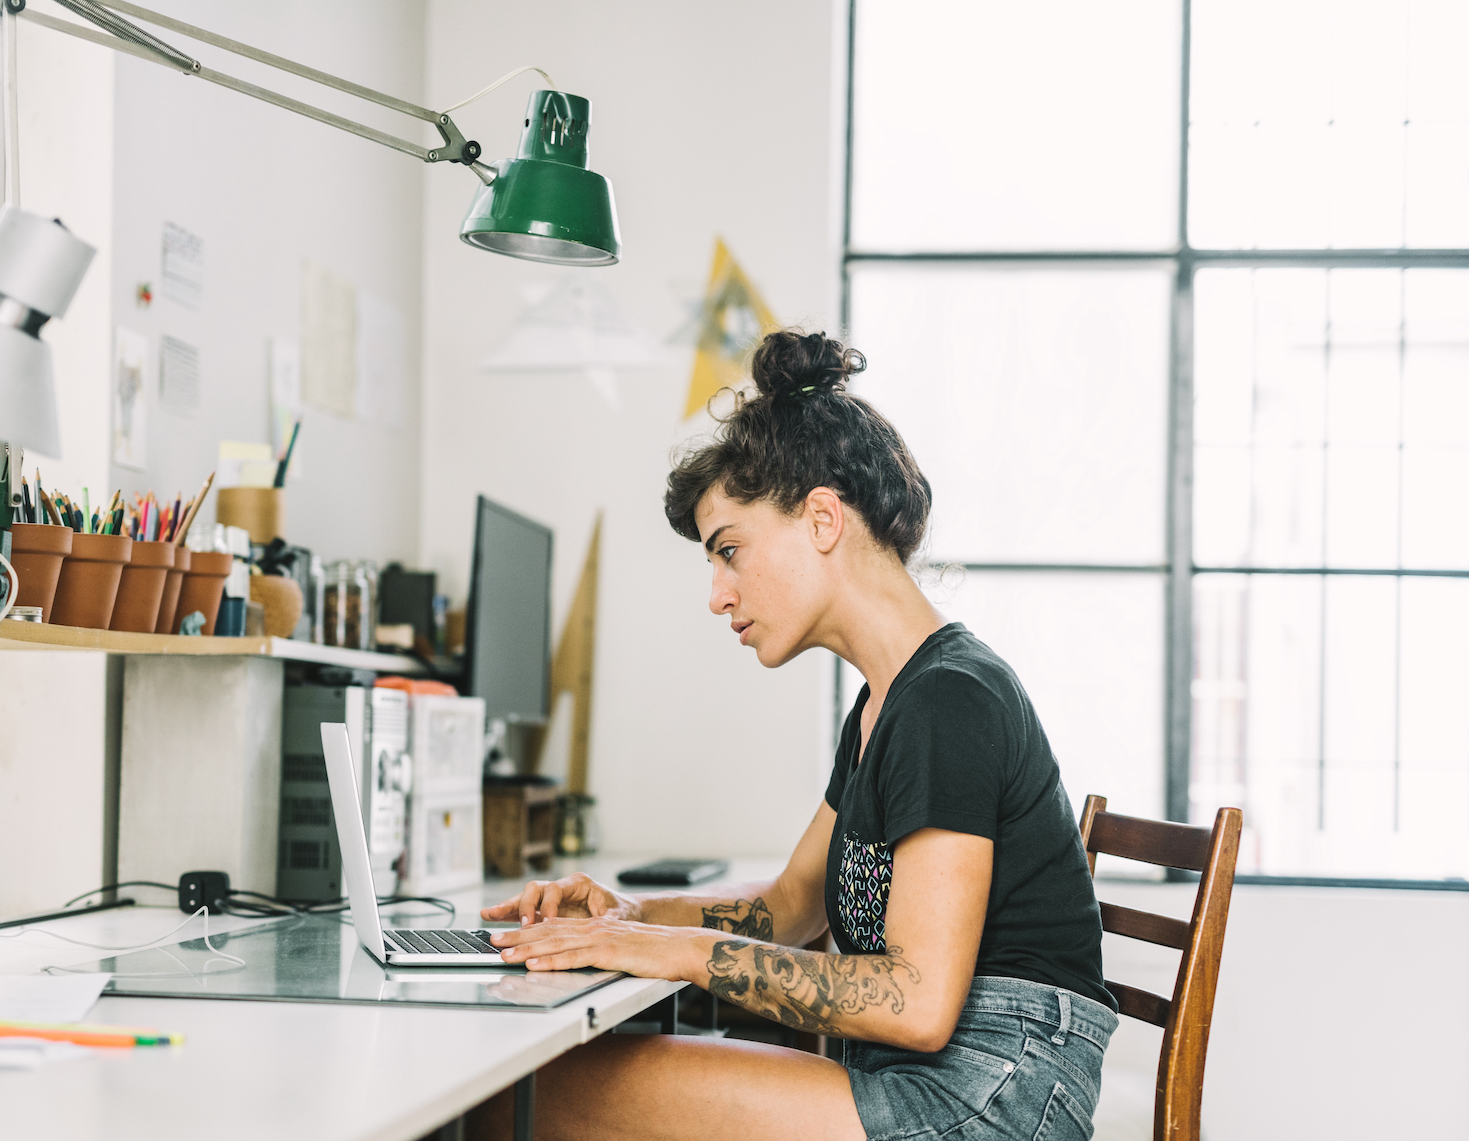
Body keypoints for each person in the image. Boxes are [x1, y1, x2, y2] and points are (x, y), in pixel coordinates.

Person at [471, 331, 1119, 1141]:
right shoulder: (887, 701)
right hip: (941, 1074)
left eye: (729, 551)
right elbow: (789, 907)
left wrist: (670, 949)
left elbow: (916, 1003)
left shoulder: (949, 700)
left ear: (820, 518)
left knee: (518, 1095)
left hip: (989, 1095)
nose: (717, 594)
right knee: (537, 1088)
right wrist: (629, 914)